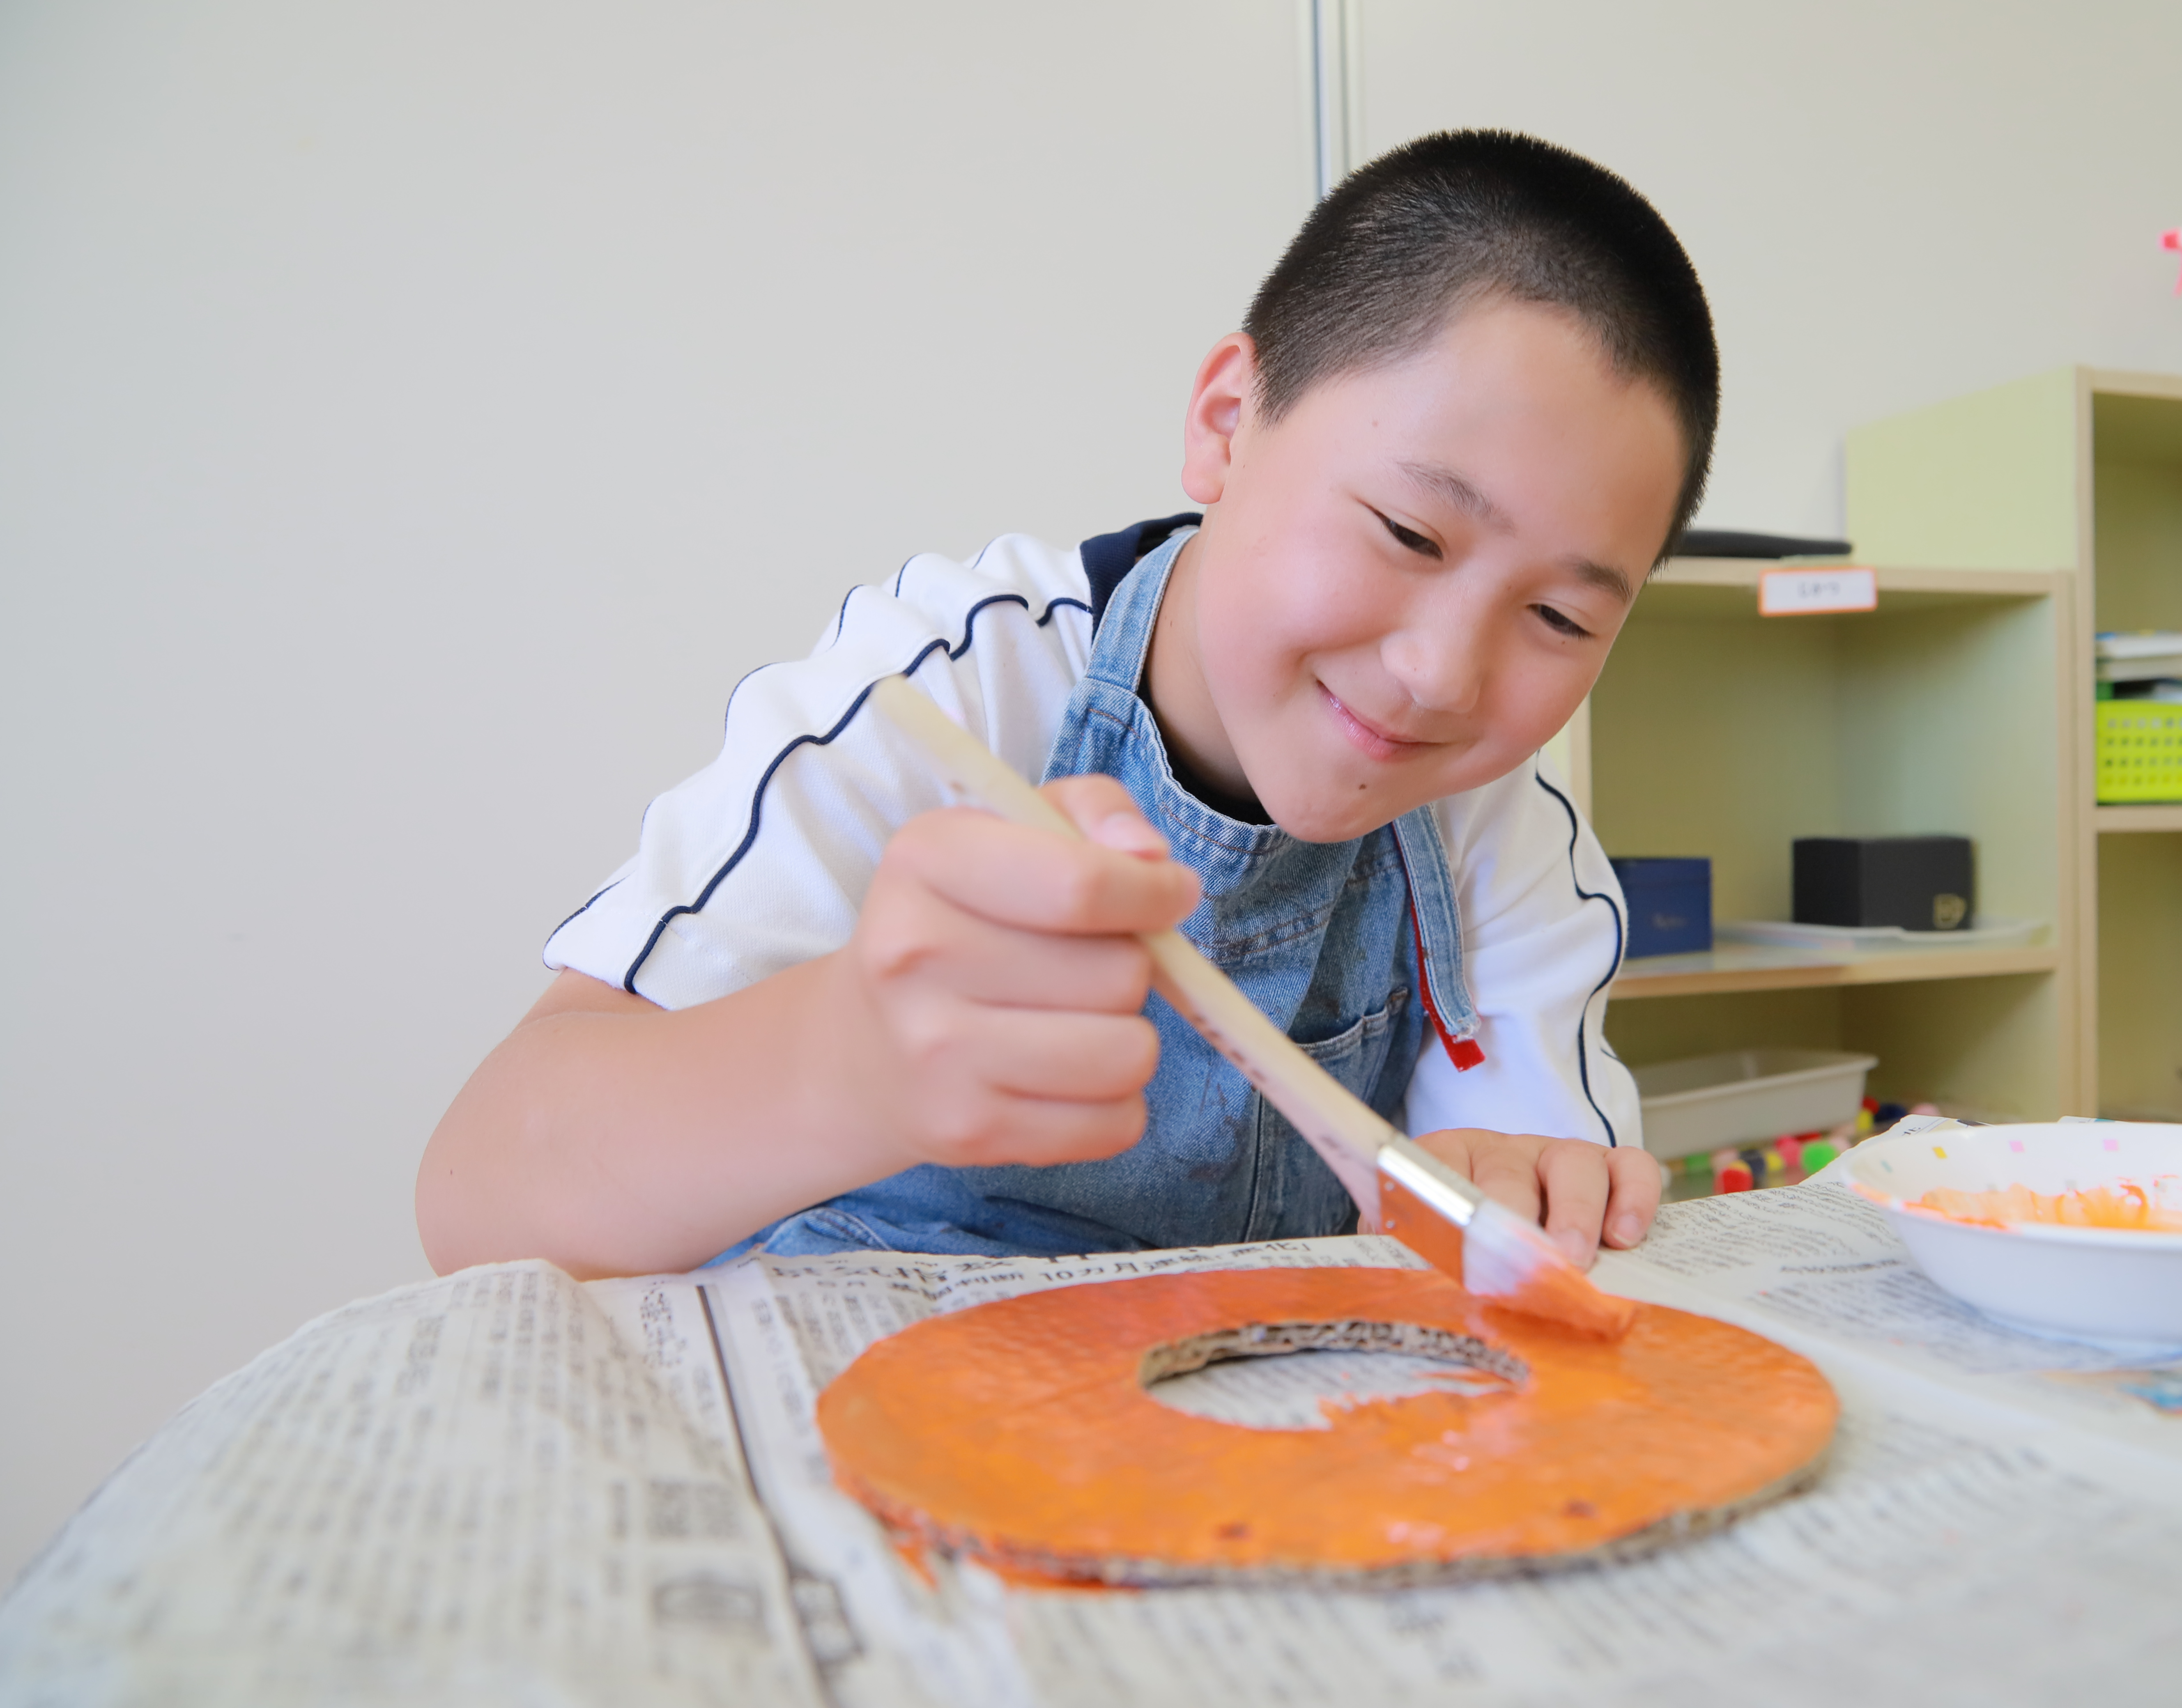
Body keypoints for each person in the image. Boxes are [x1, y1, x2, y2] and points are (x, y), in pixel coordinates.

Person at [416, 130, 1716, 1280]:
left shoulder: (1499, 827)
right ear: (1227, 421)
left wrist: (1525, 1194)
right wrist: (843, 1063)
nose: (1443, 675)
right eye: (1410, 533)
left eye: (1560, 618)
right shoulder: (953, 683)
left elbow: (1534, 1202)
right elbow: (477, 1196)